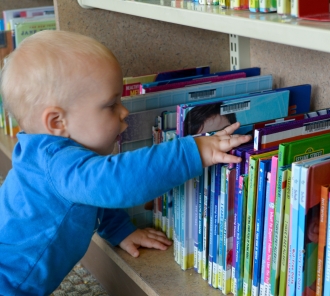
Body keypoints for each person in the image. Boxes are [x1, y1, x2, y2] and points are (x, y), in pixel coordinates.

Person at [0, 30, 251, 295]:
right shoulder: (58, 164)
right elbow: (116, 182)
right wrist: (194, 151)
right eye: (111, 105)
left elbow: (91, 196)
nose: (125, 111)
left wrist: (119, 230)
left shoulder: (47, 154)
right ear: (57, 122)